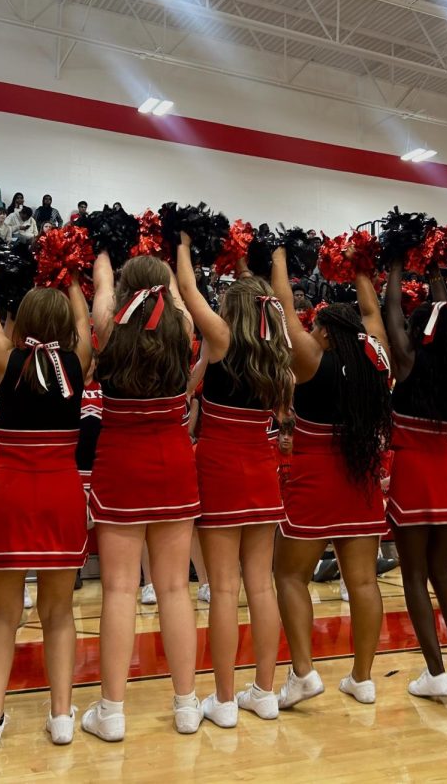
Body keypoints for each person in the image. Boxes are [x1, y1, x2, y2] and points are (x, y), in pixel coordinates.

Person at [0, 272, 92, 751]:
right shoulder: (79, 361)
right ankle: (61, 716)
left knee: (2, 615)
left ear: (19, 324)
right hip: (61, 491)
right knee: (58, 613)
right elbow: (85, 320)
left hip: (10, 492)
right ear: (66, 328)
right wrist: (76, 277)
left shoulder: (6, 360)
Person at [81, 251, 201, 741]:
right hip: (173, 461)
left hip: (121, 464)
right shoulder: (183, 327)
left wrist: (107, 259)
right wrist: (169, 268)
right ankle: (187, 705)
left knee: (119, 590)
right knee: (174, 589)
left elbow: (104, 291)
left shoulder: (108, 328)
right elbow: (175, 297)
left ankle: (111, 712)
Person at [175, 234, 291, 724]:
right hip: (261, 470)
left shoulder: (221, 339)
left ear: (231, 310)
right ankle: (264, 691)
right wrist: (260, 260)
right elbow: (278, 301)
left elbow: (185, 285)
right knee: (260, 586)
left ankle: (223, 700)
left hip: (221, 468)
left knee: (223, 590)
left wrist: (183, 241)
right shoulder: (277, 353)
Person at [270, 248, 391, 707]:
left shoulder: (311, 360)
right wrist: (361, 267)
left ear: (323, 331)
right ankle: (362, 678)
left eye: (315, 327)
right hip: (360, 479)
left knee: (288, 575)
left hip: (315, 479)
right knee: (363, 582)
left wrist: (280, 260)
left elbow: (282, 305)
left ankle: (304, 673)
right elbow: (373, 312)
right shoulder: (375, 362)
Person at [383, 259, 447, 697]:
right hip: (446, 473)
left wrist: (395, 270)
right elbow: (446, 319)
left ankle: (436, 674)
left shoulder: (406, 363)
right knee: (443, 573)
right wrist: (438, 270)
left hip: (413, 474)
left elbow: (390, 312)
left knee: (414, 576)